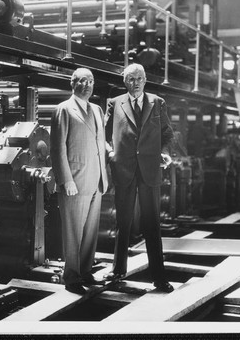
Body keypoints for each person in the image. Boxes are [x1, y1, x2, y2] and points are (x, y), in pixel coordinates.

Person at [104, 63, 175, 293]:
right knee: (123, 221)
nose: (136, 83)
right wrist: (110, 152)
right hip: (123, 168)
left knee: (152, 223)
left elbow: (167, 133)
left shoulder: (157, 102)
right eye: (131, 79)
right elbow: (104, 135)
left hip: (149, 169)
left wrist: (164, 152)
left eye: (139, 78)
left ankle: (159, 276)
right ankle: (117, 271)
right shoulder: (114, 103)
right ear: (124, 81)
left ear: (145, 80)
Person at [50, 68, 108, 295]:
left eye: (90, 81)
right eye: (82, 81)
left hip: (96, 178)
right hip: (74, 181)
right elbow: (57, 148)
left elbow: (99, 142)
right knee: (73, 230)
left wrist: (105, 172)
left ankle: (85, 271)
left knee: (91, 231)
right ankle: (71, 276)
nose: (87, 85)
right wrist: (66, 180)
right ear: (72, 84)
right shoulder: (64, 109)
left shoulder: (96, 109)